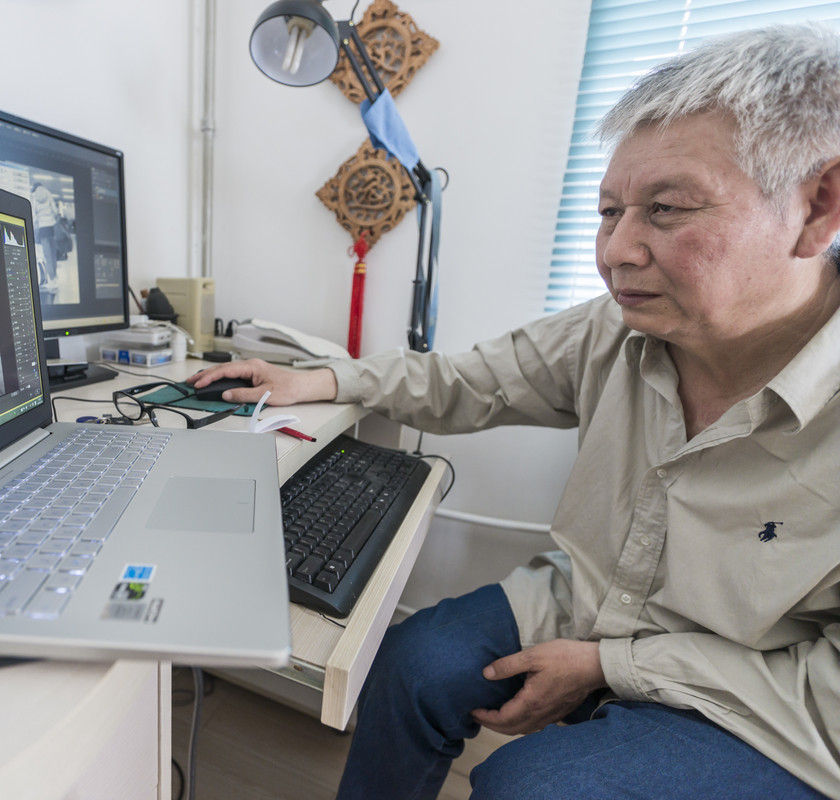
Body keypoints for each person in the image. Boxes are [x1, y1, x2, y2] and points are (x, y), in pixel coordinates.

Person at [190, 24, 840, 799]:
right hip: (596, 603)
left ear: (817, 207)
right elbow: (471, 381)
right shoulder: (616, 329)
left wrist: (610, 667)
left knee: (531, 787)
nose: (616, 253)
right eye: (608, 212)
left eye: (666, 210)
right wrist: (326, 381)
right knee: (411, 662)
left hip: (767, 690)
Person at [30, 180, 59, 284]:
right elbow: (55, 210)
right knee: (53, 252)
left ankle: (52, 278)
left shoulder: (33, 197)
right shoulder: (48, 193)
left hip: (42, 227)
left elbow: (33, 214)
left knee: (47, 254)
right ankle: (55, 274)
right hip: (51, 226)